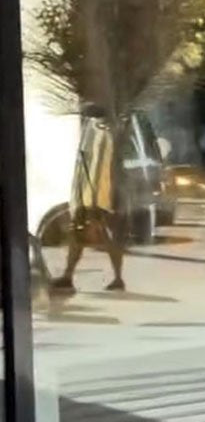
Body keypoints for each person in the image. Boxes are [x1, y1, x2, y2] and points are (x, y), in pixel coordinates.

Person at [51, 107, 126, 295]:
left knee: (97, 235)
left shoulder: (99, 132)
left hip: (95, 198)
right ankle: (69, 276)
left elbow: (97, 169)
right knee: (83, 236)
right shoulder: (96, 131)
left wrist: (92, 203)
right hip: (92, 197)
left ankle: (115, 278)